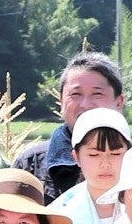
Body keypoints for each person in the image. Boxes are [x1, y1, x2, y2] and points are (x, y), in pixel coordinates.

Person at [27, 53, 124, 203]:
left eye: (97, 94)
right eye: (75, 94)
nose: (85, 104)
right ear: (61, 101)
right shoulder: (31, 164)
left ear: (119, 102)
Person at [50, 107, 132, 224]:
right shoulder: (59, 214)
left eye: (115, 154)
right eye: (94, 155)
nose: (105, 164)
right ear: (76, 157)